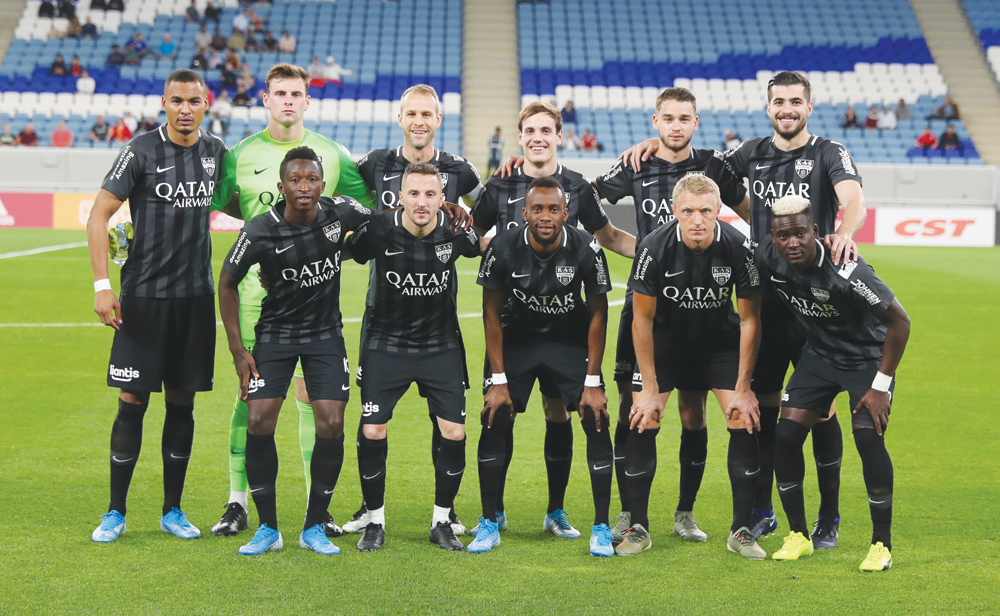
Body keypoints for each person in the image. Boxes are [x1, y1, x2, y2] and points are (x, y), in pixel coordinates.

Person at [622, 72, 866, 547]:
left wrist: (846, 231)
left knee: (821, 409)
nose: (787, 109)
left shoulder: (828, 152)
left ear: (808, 108)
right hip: (768, 298)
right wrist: (658, 141)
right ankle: (759, 510)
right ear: (768, 107)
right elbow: (692, 163)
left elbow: (852, 199)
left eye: (796, 101)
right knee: (763, 405)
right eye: (779, 101)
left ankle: (829, 517)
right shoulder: (749, 153)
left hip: (817, 299)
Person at [209, 63, 375, 538]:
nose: (287, 100)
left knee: (314, 404)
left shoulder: (332, 155)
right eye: (278, 92)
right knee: (250, 404)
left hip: (317, 305)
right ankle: (238, 502)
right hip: (256, 301)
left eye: (295, 93)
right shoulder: (239, 154)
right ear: (265, 99)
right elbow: (213, 205)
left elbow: (370, 208)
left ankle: (313, 511)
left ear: (307, 100)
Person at [471, 102, 634, 541]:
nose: (538, 136)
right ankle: (494, 513)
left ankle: (556, 511)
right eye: (530, 130)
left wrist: (659, 252)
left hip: (564, 326)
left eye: (546, 129)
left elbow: (610, 237)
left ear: (559, 135)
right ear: (520, 136)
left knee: (558, 411)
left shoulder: (579, 187)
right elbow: (473, 235)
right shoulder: (500, 182)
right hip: (512, 324)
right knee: (498, 411)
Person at [594, 87, 749, 545]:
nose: (676, 125)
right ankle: (630, 512)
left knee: (693, 411)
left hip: (704, 312)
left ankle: (684, 513)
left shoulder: (715, 166)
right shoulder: (635, 164)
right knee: (636, 407)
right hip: (650, 304)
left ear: (695, 122)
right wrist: (637, 249)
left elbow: (749, 213)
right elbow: (589, 204)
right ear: (655, 121)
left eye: (685, 117)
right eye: (668, 118)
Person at [87, 69, 227, 544]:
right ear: (163, 103)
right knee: (132, 400)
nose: (185, 108)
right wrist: (103, 284)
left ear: (206, 103)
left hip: (194, 299)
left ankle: (172, 510)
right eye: (176, 100)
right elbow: (99, 213)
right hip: (143, 298)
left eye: (193, 100)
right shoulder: (141, 150)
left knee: (182, 402)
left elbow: (245, 206)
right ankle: (115, 511)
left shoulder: (216, 153)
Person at [344, 84, 484, 536]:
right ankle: (373, 514)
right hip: (384, 333)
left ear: (438, 119)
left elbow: (490, 215)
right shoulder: (372, 169)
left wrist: (471, 220)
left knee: (452, 430)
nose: (419, 120)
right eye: (412, 113)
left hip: (440, 339)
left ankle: (444, 514)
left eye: (428, 113)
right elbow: (337, 220)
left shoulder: (460, 173)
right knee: (372, 428)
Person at [756, 195, 909, 572]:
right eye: (783, 235)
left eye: (800, 234)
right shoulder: (767, 256)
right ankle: (798, 536)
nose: (792, 242)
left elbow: (900, 323)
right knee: (786, 437)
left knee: (869, 439)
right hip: (819, 358)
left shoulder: (848, 271)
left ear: (816, 233)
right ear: (773, 238)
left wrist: (880, 385)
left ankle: (880, 545)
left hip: (866, 362)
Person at [624, 174, 762, 558]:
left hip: (718, 343)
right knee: (644, 416)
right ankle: (638, 527)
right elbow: (642, 320)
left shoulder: (737, 246)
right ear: (674, 212)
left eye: (705, 211)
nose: (697, 219)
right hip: (665, 343)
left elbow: (750, 319)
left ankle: (736, 529)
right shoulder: (654, 247)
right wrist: (650, 389)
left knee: (739, 416)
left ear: (719, 210)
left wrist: (745, 385)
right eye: (688, 211)